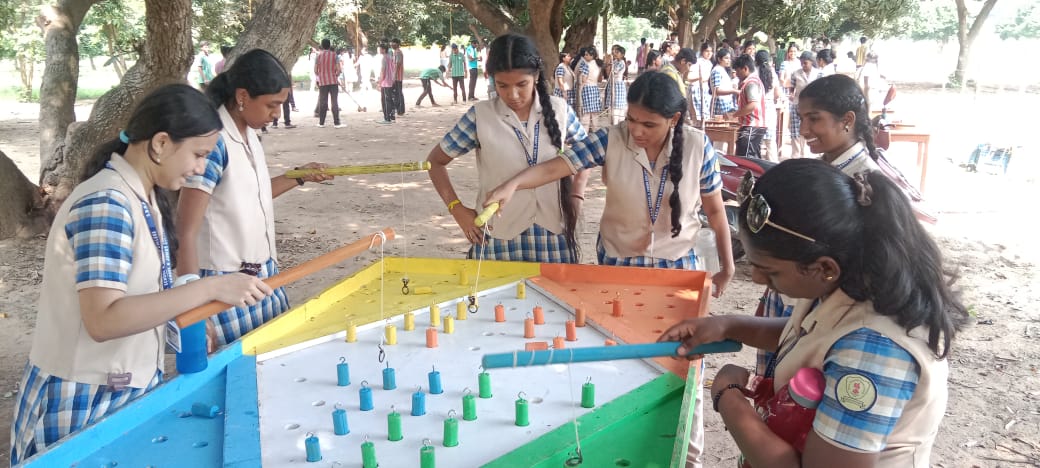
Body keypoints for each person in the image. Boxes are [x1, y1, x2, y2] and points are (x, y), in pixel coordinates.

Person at [9, 84, 273, 463]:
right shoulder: (107, 205)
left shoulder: (142, 195)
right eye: (198, 155)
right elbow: (103, 319)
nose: (201, 168)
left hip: (119, 389)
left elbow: (142, 291)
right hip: (82, 398)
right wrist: (209, 288)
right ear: (161, 143)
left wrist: (185, 317)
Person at [484, 71, 735, 468]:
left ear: (674, 119)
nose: (636, 130)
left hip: (679, 270)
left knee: (684, 364)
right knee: (622, 359)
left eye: (648, 124)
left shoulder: (697, 145)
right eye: (631, 119)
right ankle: (623, 449)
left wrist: (726, 265)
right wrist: (514, 185)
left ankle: (688, 457)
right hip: (619, 265)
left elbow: (716, 211)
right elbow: (558, 166)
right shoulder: (611, 138)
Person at [659, 157, 968, 467]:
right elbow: (811, 333)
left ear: (824, 268)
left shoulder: (873, 353)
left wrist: (728, 395)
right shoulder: (849, 282)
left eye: (770, 271)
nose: (757, 279)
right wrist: (728, 326)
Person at [175, 49, 334, 347]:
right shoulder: (213, 143)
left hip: (262, 277)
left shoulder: (249, 135)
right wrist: (194, 306)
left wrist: (298, 176)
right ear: (242, 96)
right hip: (224, 284)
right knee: (236, 366)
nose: (277, 114)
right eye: (272, 105)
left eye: (280, 105)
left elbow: (251, 197)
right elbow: (186, 230)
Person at [426, 33, 589, 262]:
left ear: (536, 76)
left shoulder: (560, 110)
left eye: (522, 84)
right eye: (502, 85)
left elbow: (586, 156)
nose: (512, 95)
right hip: (498, 237)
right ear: (492, 79)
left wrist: (576, 197)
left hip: (554, 236)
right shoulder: (480, 116)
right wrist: (456, 209)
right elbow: (435, 162)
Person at [728, 53, 767, 159]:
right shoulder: (752, 81)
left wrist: (734, 115)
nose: (736, 74)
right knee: (752, 159)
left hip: (751, 126)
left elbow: (752, 105)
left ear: (745, 69)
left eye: (738, 71)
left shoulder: (751, 83)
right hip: (752, 127)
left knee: (746, 160)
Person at [789, 51, 823, 158]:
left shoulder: (819, 74)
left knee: (809, 129)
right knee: (795, 131)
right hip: (797, 105)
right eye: (802, 63)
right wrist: (791, 94)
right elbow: (792, 88)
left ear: (811, 62)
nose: (803, 65)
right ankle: (795, 154)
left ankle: (806, 154)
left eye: (805, 63)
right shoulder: (795, 74)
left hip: (813, 107)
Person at [313, 39, 343, 128]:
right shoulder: (334, 55)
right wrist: (335, 75)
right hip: (333, 82)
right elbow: (339, 69)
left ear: (322, 46)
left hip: (323, 82)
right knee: (334, 102)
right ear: (329, 46)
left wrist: (321, 75)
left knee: (323, 102)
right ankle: (336, 123)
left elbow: (315, 70)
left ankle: (321, 123)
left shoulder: (318, 56)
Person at [577, 46, 603, 131]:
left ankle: (585, 131)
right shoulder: (598, 65)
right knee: (595, 113)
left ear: (592, 55)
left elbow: (584, 79)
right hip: (595, 89)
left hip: (587, 89)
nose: (585, 56)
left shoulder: (586, 65)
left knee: (586, 113)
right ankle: (595, 130)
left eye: (587, 55)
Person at [689, 43, 715, 124]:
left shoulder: (710, 64)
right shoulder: (697, 62)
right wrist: (701, 78)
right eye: (707, 51)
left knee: (706, 116)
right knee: (698, 116)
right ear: (702, 51)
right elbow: (689, 77)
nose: (709, 53)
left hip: (706, 92)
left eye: (711, 51)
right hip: (697, 90)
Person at [710, 48, 738, 117]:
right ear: (719, 59)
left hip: (726, 101)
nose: (729, 60)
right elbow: (717, 91)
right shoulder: (717, 71)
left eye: (729, 58)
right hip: (720, 102)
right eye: (726, 58)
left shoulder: (722, 70)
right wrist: (734, 91)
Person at [606, 45, 628, 124]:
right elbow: (608, 74)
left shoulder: (621, 63)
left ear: (622, 55)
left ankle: (617, 124)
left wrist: (609, 63)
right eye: (615, 52)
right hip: (613, 84)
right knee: (613, 106)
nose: (615, 53)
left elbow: (613, 72)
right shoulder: (615, 62)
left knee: (617, 107)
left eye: (617, 52)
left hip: (618, 86)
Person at [377, 43, 397, 124]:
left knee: (385, 101)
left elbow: (383, 71)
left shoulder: (384, 58)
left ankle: (387, 118)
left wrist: (379, 82)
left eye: (380, 49)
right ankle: (392, 117)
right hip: (390, 81)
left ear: (384, 49)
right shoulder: (390, 57)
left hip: (386, 82)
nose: (379, 50)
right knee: (390, 99)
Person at [391, 39, 406, 116]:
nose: (392, 45)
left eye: (393, 43)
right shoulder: (395, 52)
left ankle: (401, 110)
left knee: (399, 93)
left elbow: (398, 64)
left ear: (397, 44)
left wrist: (394, 75)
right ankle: (397, 109)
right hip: (396, 76)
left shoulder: (398, 52)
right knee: (396, 93)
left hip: (398, 76)